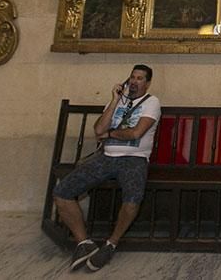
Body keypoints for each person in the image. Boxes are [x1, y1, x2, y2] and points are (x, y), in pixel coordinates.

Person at [52, 65, 162, 272]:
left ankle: (111, 243)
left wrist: (110, 134)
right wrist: (114, 100)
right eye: (132, 77)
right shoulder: (117, 102)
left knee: (132, 199)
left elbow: (136, 133)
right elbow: (98, 130)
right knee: (62, 192)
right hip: (106, 157)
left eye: (140, 79)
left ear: (147, 83)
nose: (134, 82)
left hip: (134, 159)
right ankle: (84, 243)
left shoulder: (152, 102)